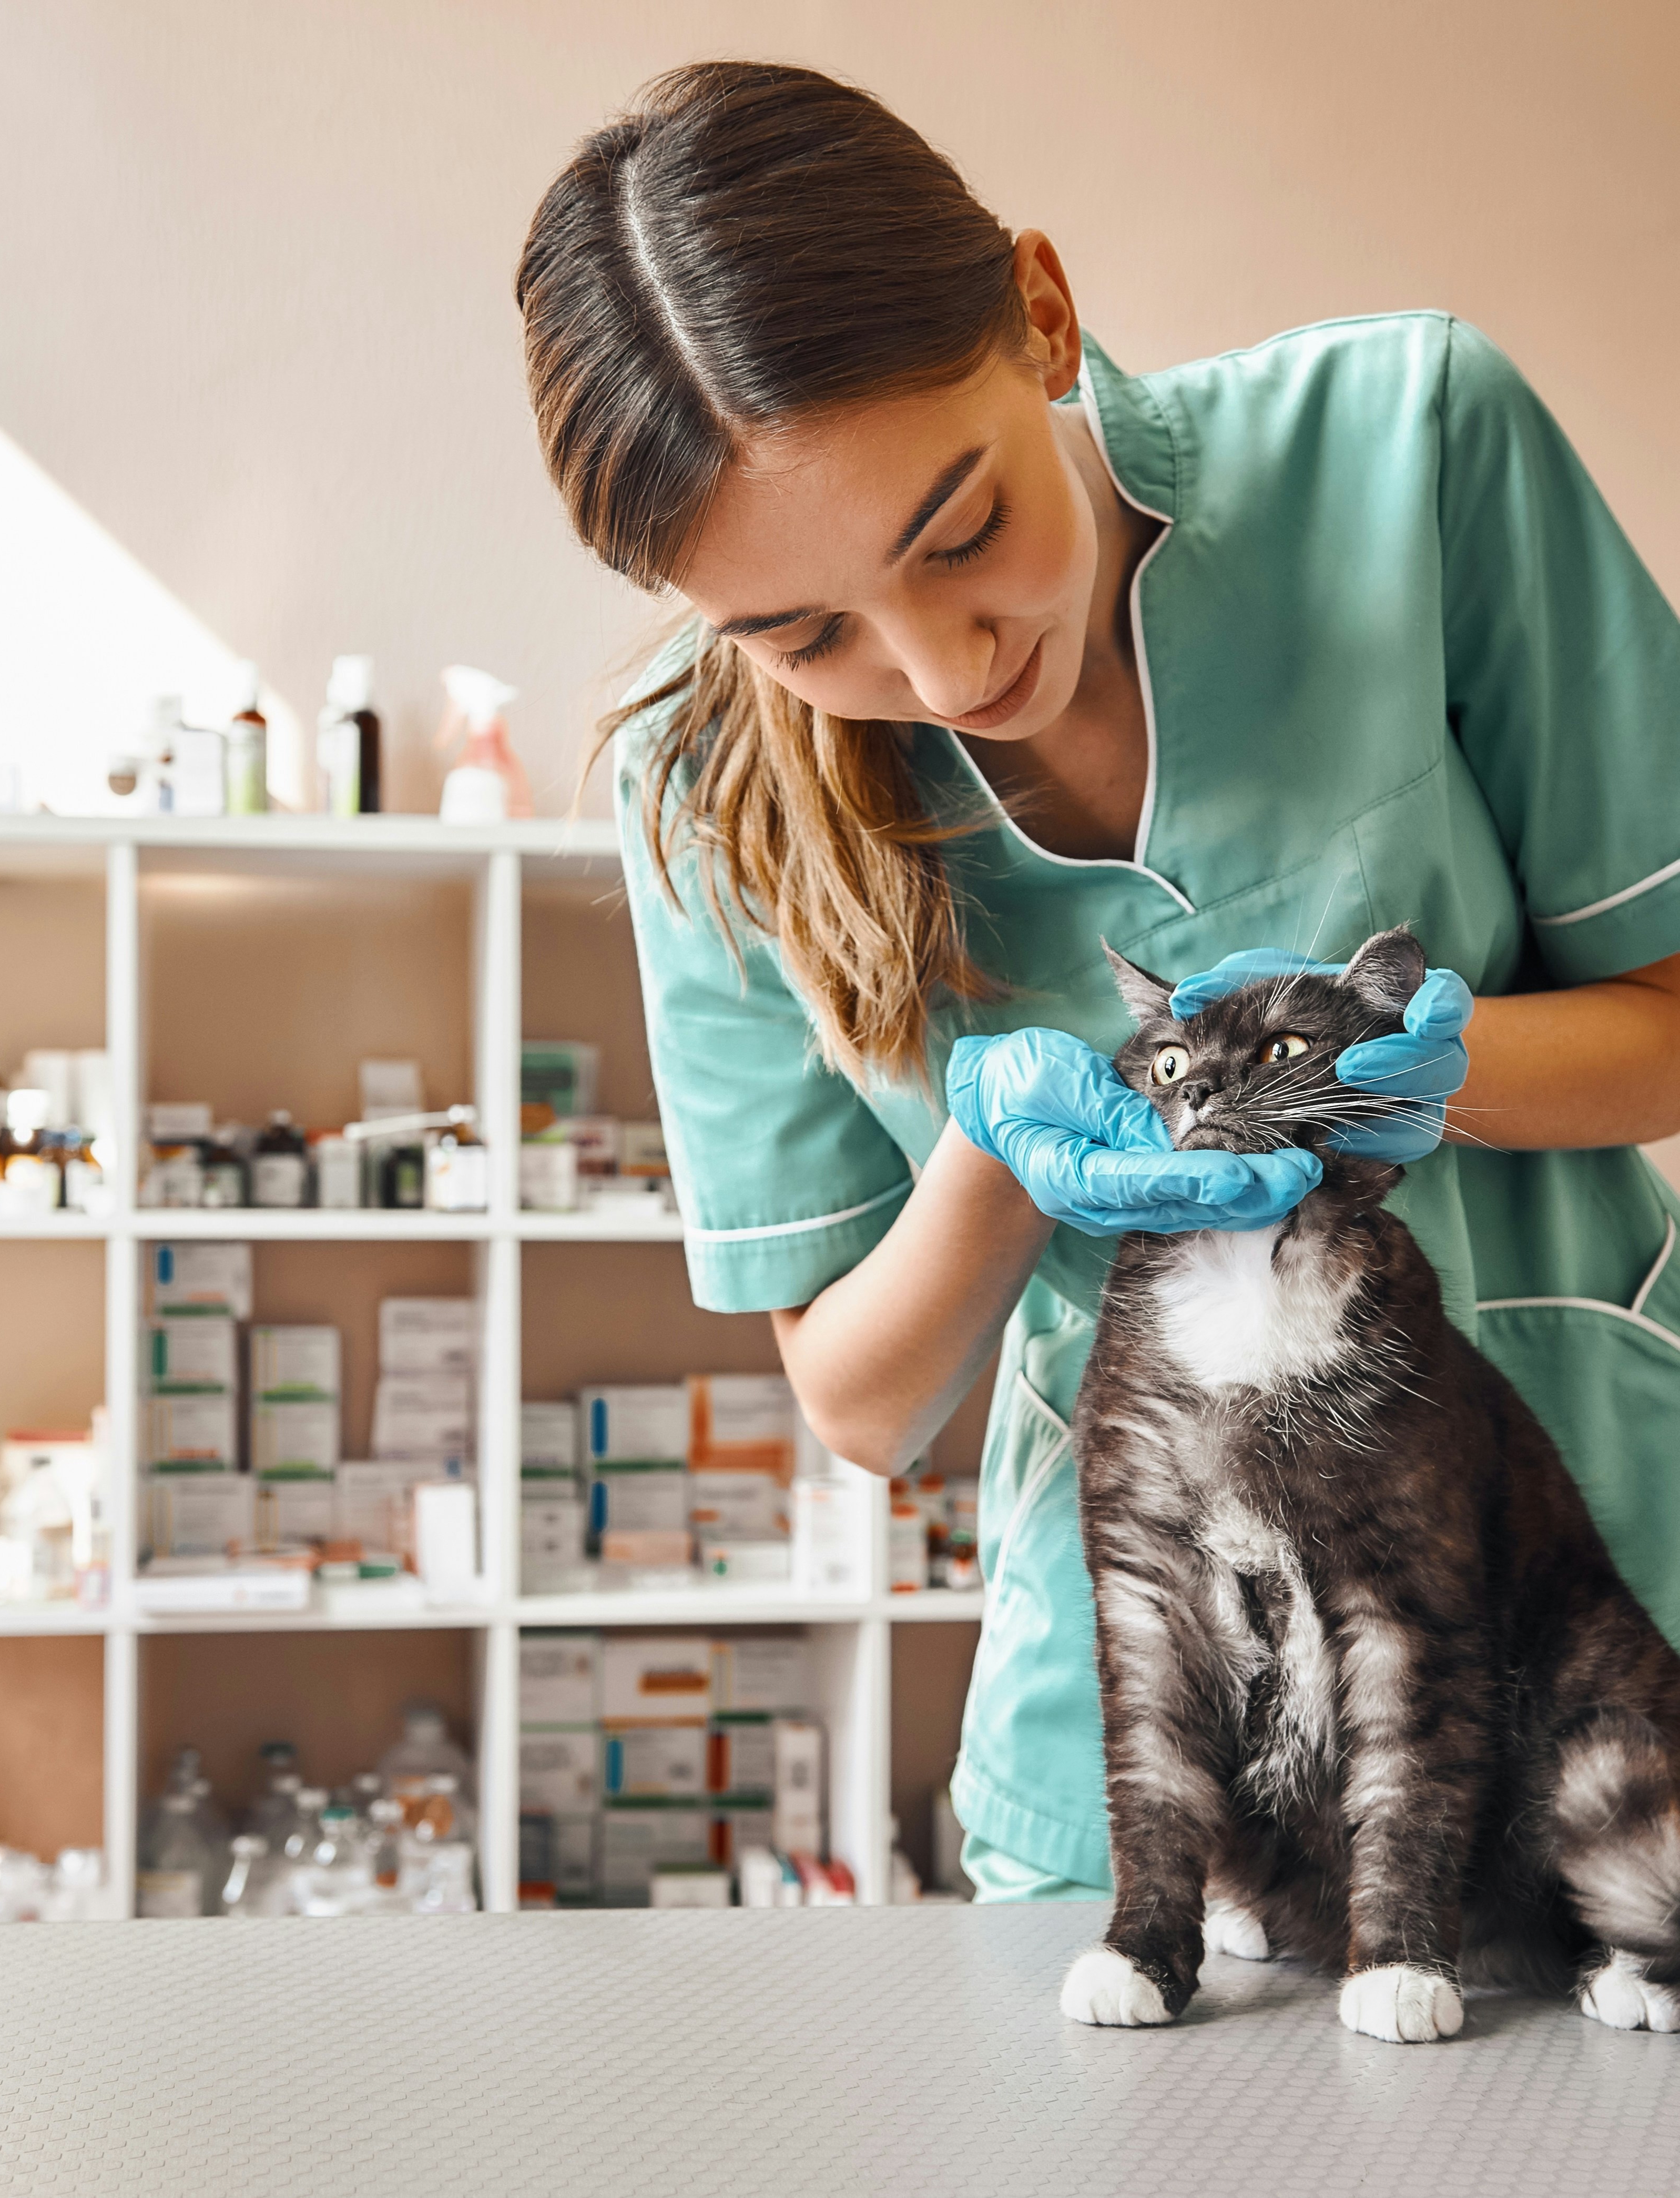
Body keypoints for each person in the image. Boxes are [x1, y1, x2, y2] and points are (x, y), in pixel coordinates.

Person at [516, 61, 1680, 1900]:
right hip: (1152, 1744)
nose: (942, 662)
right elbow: (859, 1400)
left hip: (1598, 1634)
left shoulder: (1408, 448)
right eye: (804, 633)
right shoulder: (700, 783)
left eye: (959, 530)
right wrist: (999, 1159)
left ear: (1042, 316)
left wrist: (1411, 1076)